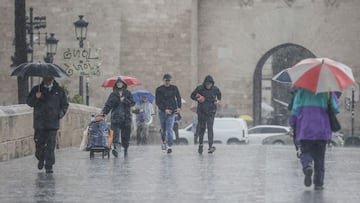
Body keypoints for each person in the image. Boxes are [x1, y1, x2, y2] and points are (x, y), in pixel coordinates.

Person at [290, 88, 339, 190]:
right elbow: (335, 109)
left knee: (305, 152)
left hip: (305, 128)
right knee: (320, 157)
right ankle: (319, 183)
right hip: (322, 129)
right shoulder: (327, 91)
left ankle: (307, 166)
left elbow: (294, 110)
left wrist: (293, 124)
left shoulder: (301, 91)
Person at [26, 76, 69, 174]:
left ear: (53, 78)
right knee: (39, 145)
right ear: (43, 78)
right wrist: (36, 98)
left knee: (50, 145)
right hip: (39, 123)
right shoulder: (36, 89)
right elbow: (29, 102)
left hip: (52, 123)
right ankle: (40, 158)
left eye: (50, 78)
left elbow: (65, 104)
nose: (48, 80)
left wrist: (61, 113)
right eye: (47, 78)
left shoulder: (59, 90)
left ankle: (49, 165)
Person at [101, 77, 135, 157]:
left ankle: (125, 149)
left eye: (120, 83)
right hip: (116, 117)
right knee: (115, 134)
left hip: (126, 118)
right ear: (116, 85)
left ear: (123, 84)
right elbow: (108, 105)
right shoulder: (113, 94)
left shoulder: (128, 93)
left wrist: (125, 100)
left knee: (125, 135)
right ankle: (116, 149)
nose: (119, 84)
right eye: (118, 83)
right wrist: (103, 112)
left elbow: (132, 103)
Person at [191, 75, 221, 154]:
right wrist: (198, 99)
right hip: (202, 111)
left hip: (211, 111)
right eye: (207, 84)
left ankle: (210, 146)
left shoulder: (215, 89)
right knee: (202, 128)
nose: (208, 86)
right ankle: (200, 145)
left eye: (210, 84)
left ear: (212, 84)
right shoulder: (200, 88)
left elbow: (219, 95)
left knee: (210, 128)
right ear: (205, 84)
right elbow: (192, 95)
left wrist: (218, 101)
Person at [155, 73, 181, 153]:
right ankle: (163, 142)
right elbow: (158, 102)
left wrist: (179, 107)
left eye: (169, 80)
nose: (167, 82)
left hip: (172, 111)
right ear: (163, 80)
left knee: (169, 129)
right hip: (162, 112)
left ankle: (170, 146)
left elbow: (178, 97)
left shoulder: (174, 88)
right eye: (166, 80)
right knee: (163, 129)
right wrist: (164, 109)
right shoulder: (159, 89)